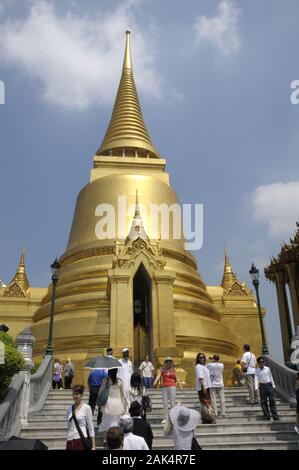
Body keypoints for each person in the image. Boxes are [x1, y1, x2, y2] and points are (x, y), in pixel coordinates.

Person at [98, 368, 127, 440]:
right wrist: (124, 407)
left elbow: (100, 392)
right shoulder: (119, 381)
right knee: (116, 423)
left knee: (105, 422)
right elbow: (123, 395)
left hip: (108, 404)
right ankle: (115, 439)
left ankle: (105, 440)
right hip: (118, 405)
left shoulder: (106, 380)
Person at [153, 357, 183, 424]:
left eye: (170, 362)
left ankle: (173, 418)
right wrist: (155, 381)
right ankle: (165, 418)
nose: (168, 364)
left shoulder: (173, 370)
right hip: (164, 387)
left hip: (172, 386)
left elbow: (177, 378)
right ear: (165, 363)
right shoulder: (162, 370)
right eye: (167, 362)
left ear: (171, 363)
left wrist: (180, 386)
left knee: (172, 402)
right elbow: (158, 376)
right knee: (165, 403)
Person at [66, 384, 95, 450]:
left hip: (81, 440)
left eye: (76, 394)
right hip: (70, 440)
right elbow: (69, 426)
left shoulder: (86, 408)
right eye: (73, 394)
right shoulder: (69, 409)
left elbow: (91, 427)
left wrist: (93, 446)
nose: (74, 396)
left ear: (81, 395)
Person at [255, 356, 279, 421]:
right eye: (260, 362)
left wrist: (273, 385)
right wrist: (256, 388)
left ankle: (275, 416)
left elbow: (271, 377)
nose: (262, 363)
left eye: (263, 362)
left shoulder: (267, 369)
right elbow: (256, 379)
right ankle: (266, 416)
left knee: (272, 400)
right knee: (263, 402)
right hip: (262, 386)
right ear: (258, 363)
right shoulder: (256, 370)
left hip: (269, 385)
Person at [195, 353, 215, 424]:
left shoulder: (203, 366)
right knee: (207, 403)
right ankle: (211, 418)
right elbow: (200, 377)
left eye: (203, 357)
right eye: (200, 357)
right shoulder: (198, 366)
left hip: (206, 386)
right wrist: (203, 387)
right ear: (198, 359)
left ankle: (206, 419)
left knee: (205, 403)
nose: (202, 359)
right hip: (203, 387)